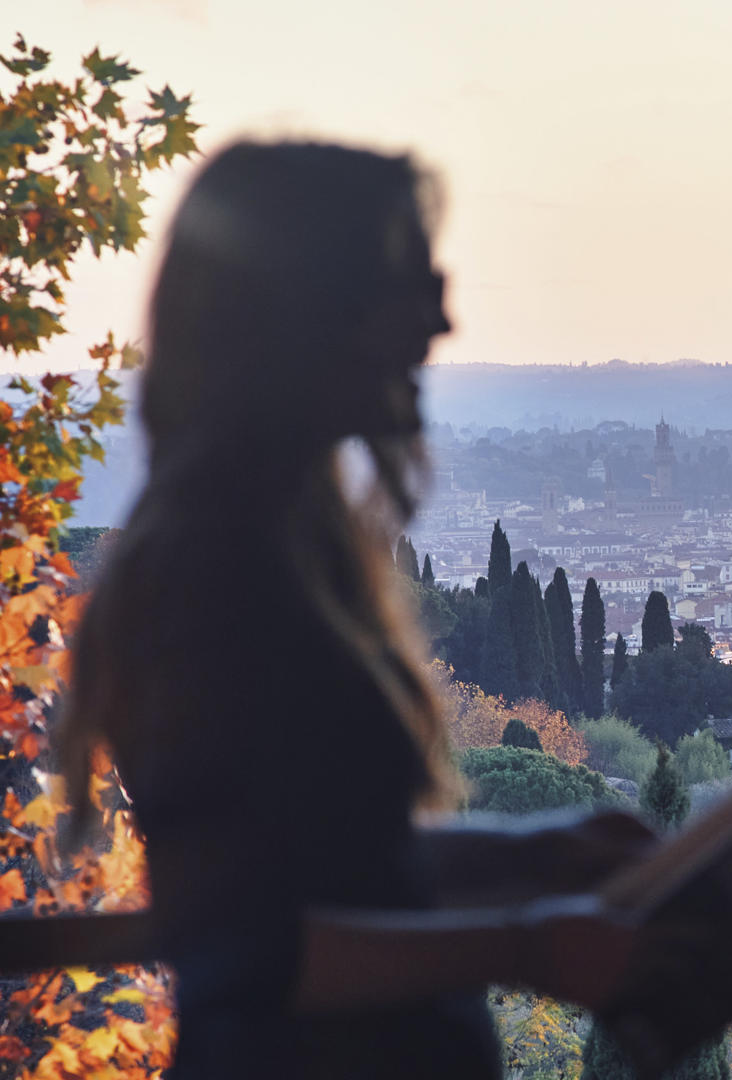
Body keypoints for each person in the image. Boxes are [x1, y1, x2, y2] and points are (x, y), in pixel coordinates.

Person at [57, 142, 660, 1079]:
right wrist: (526, 951)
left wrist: (534, 849)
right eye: (407, 286)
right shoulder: (216, 566)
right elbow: (247, 948)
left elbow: (341, 868)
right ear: (300, 314)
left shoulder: (273, 541)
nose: (442, 320)